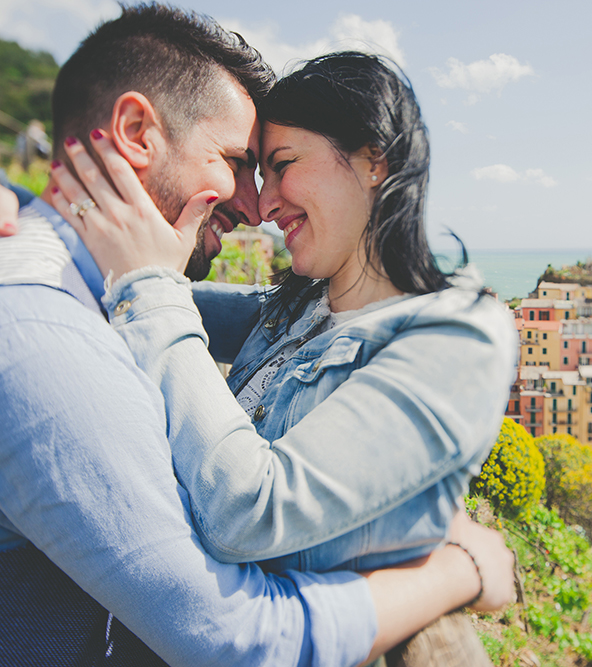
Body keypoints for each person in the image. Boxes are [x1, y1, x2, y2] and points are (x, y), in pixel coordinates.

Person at [0, 5, 512, 666]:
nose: (257, 206)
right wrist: (457, 571)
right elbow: (229, 632)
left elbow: (170, 311)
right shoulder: (53, 336)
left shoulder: (445, 335)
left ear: (373, 162)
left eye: (276, 166)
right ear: (135, 131)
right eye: (242, 163)